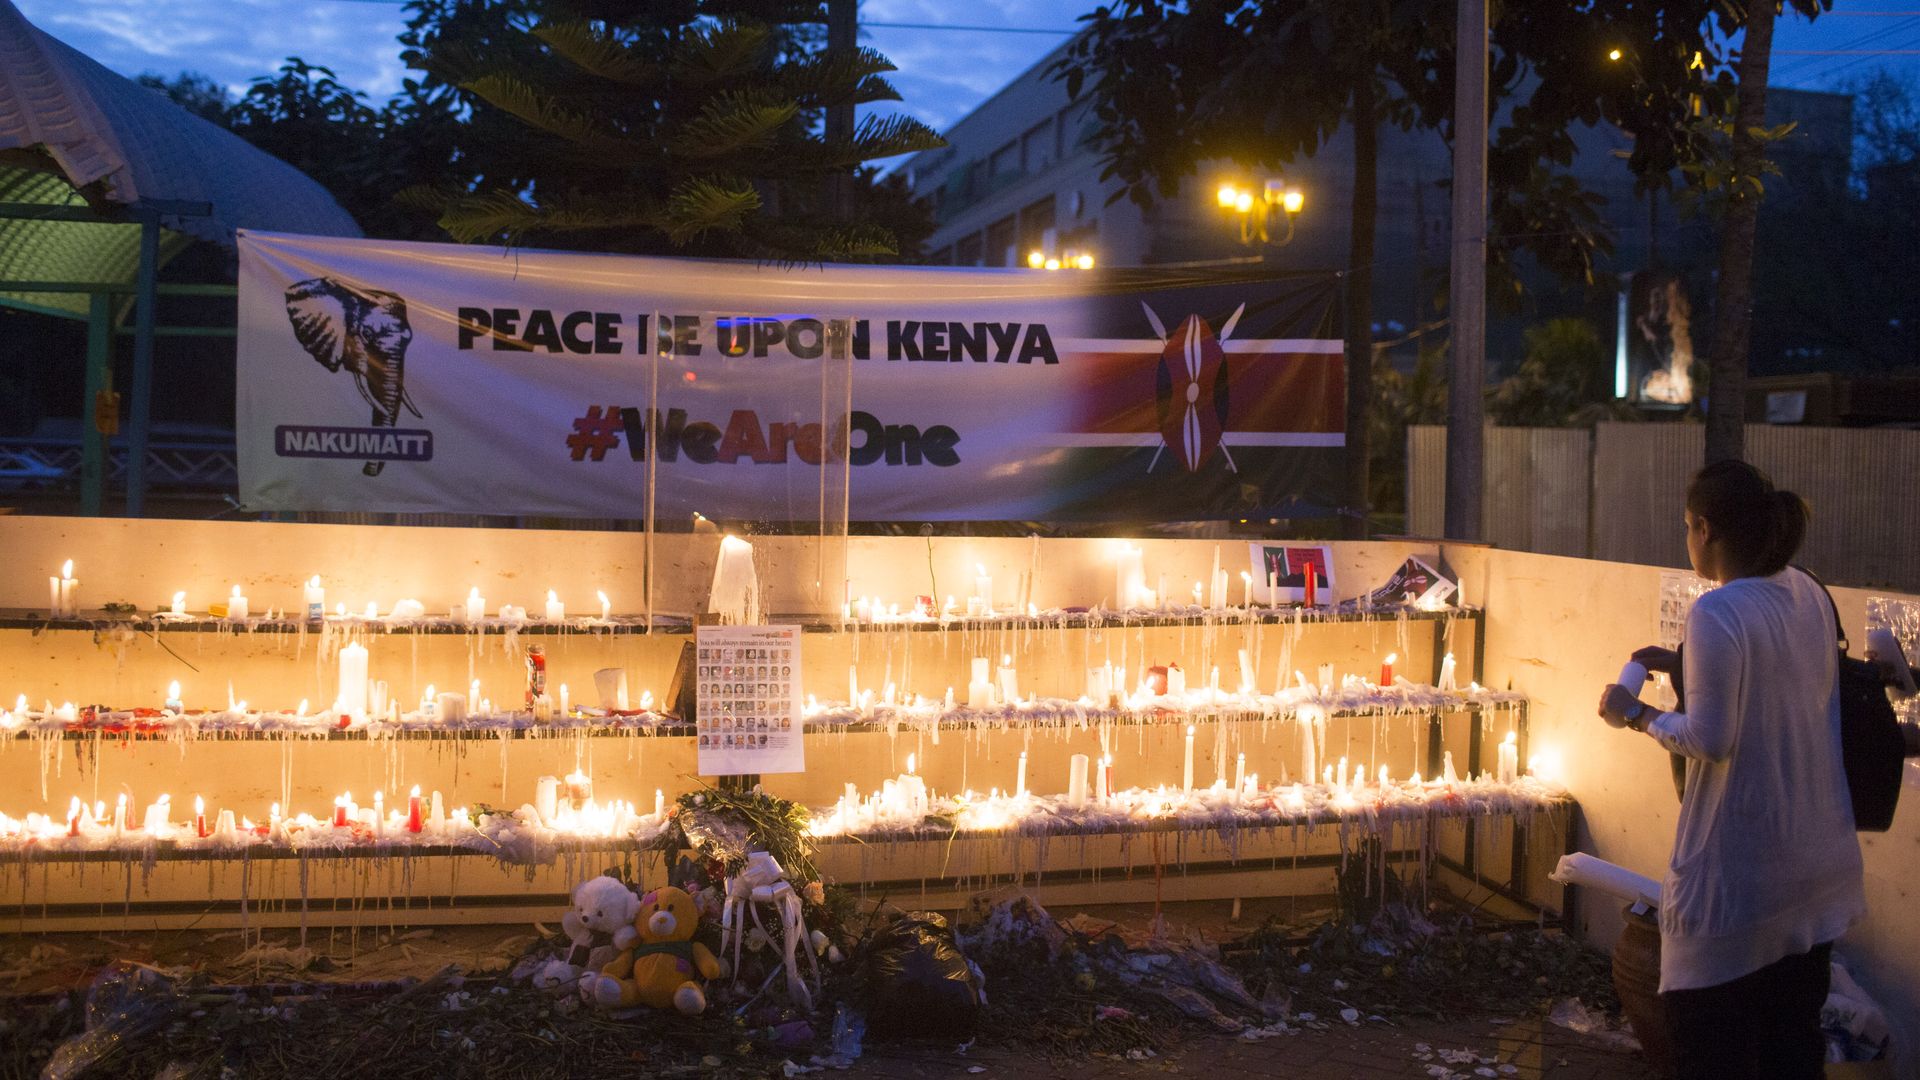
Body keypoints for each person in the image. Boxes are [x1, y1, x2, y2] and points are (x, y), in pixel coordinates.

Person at [1596, 460, 1864, 1080]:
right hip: (1817, 874)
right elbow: (1777, 681)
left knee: (1710, 1052)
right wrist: (1687, 662)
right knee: (1790, 1052)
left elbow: (1712, 739)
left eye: (1687, 527)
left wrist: (1634, 713)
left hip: (1742, 883)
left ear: (1705, 529)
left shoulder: (1716, 612)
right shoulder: (1809, 592)